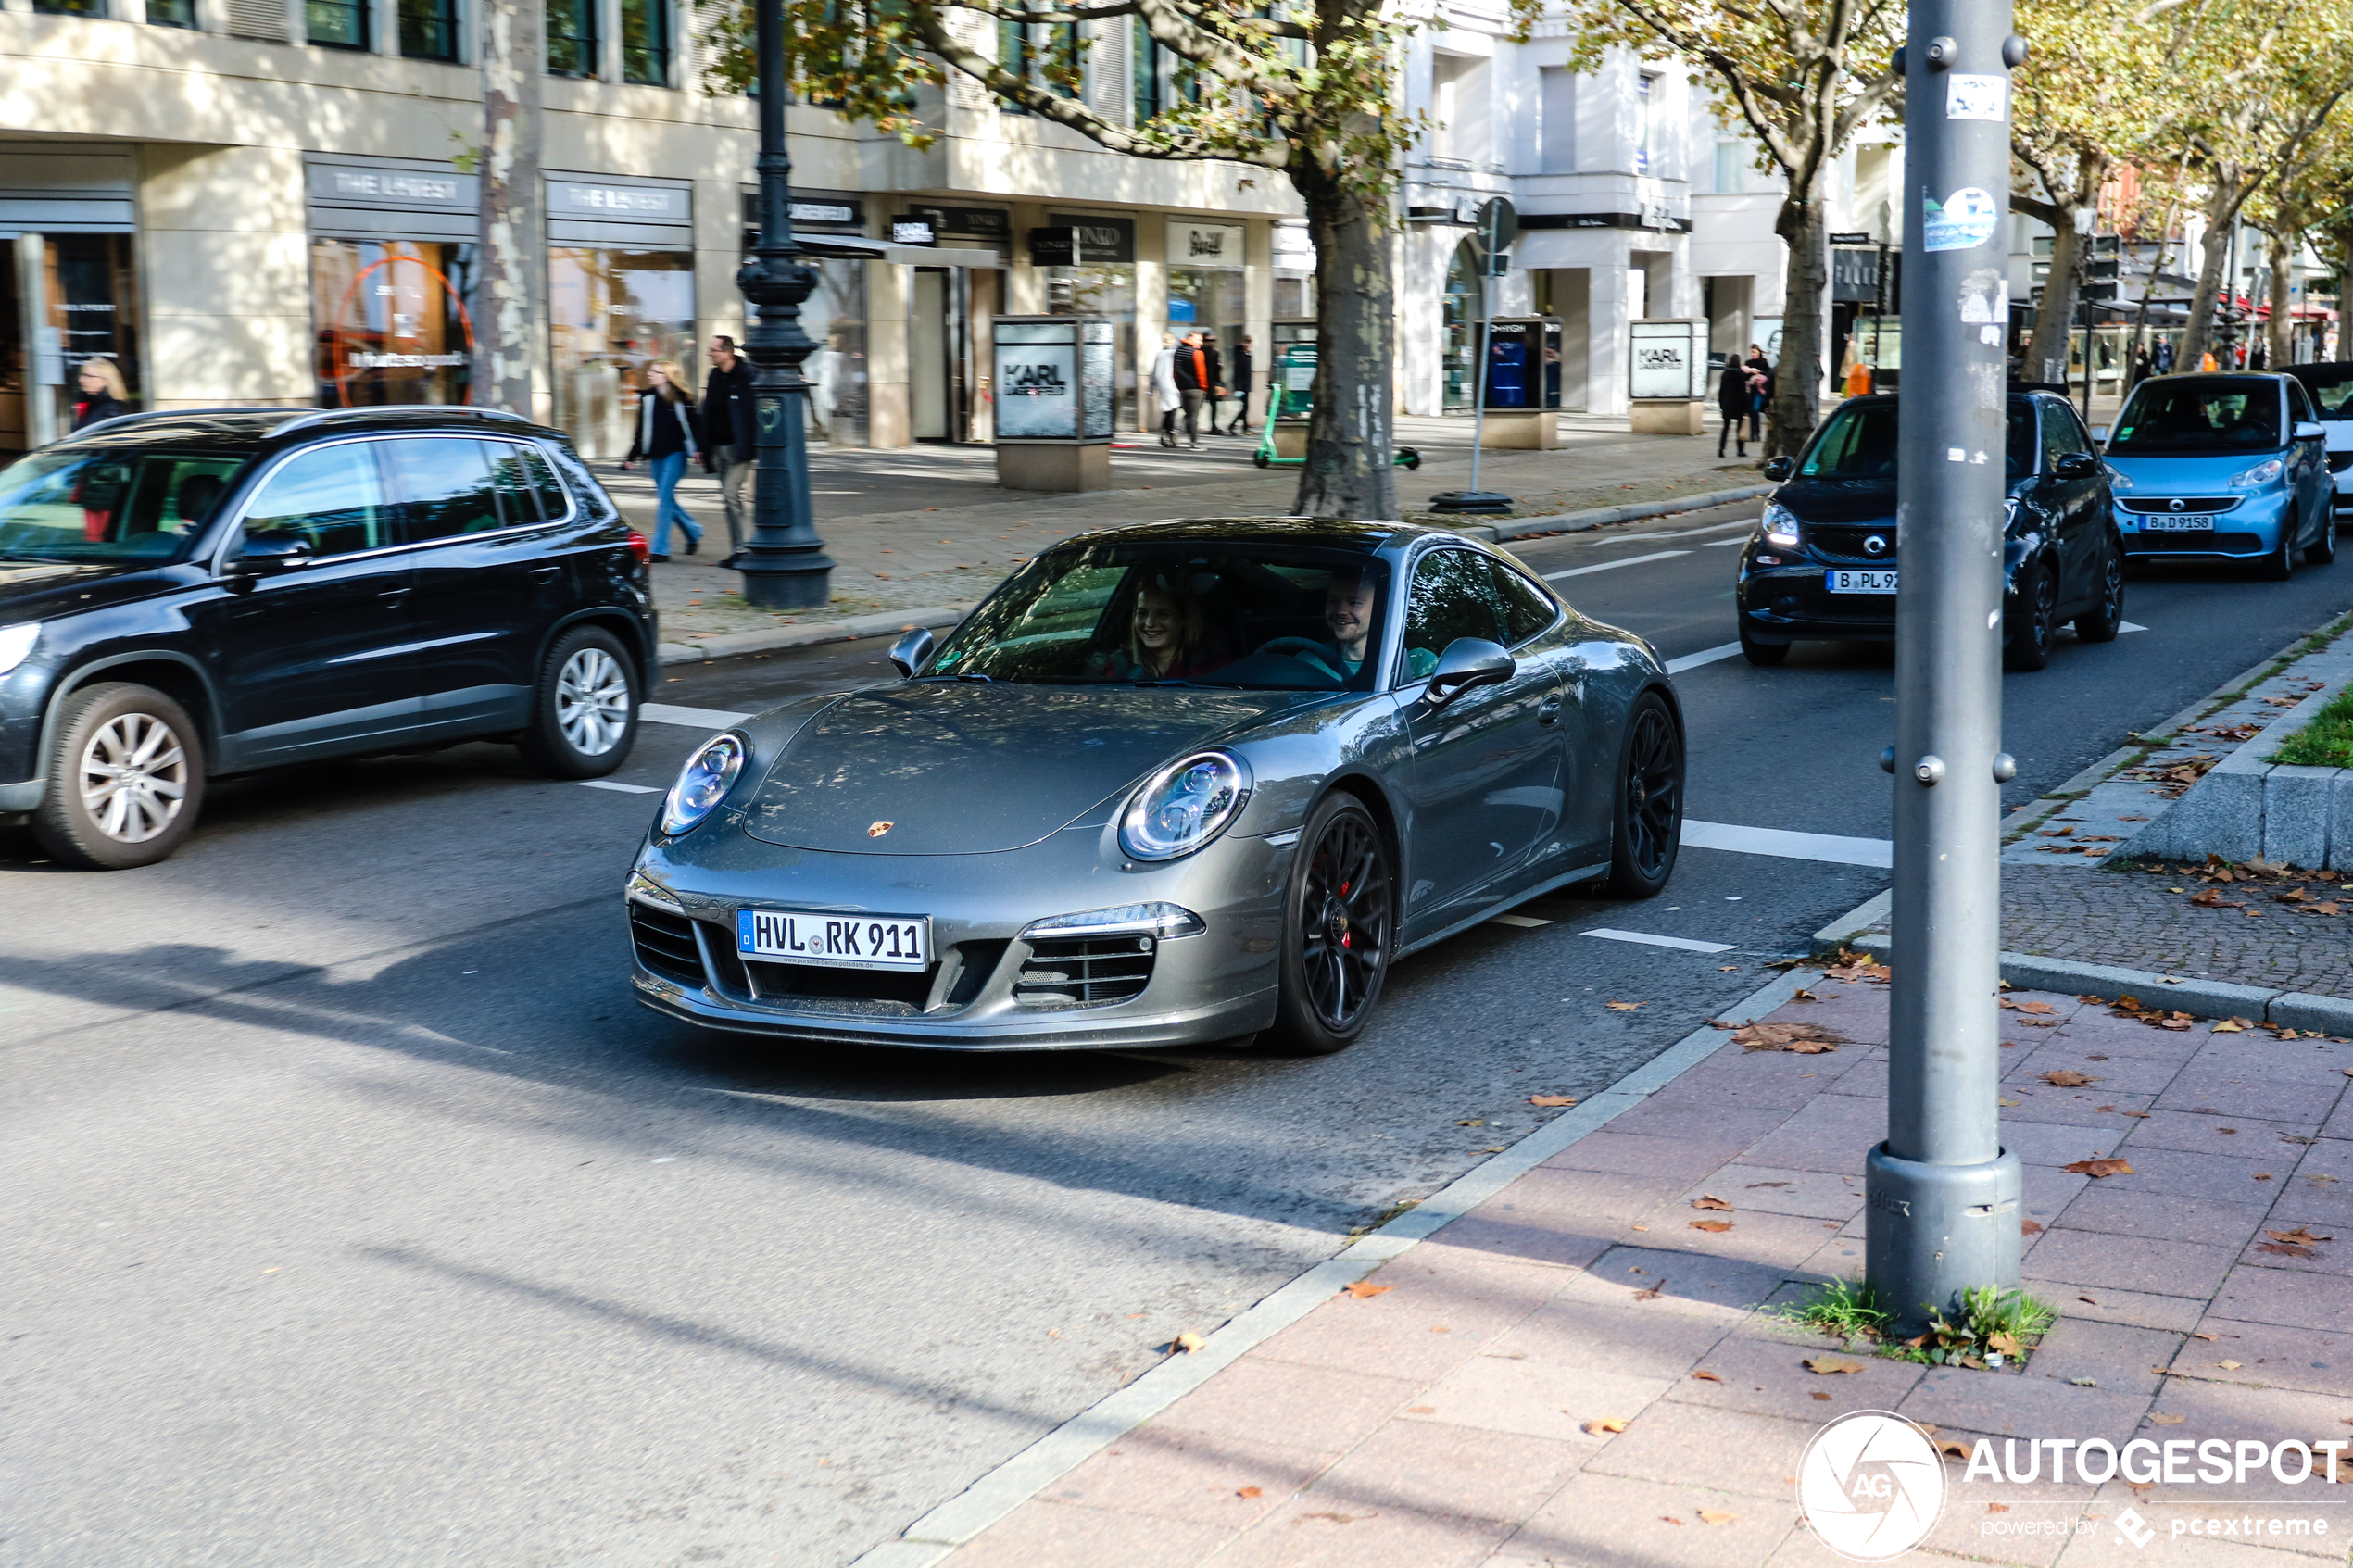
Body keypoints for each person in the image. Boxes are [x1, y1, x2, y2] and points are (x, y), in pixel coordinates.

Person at [1256, 568, 1435, 685]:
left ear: (1381, 606)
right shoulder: (1307, 662)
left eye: (1354, 602)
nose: (1341, 611)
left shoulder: (1418, 664)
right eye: (1332, 601)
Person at [619, 359, 707, 561]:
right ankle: (693, 531)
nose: (650, 374)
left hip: (676, 454)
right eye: (650, 370)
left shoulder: (683, 398)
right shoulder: (648, 398)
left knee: (665, 496)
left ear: (667, 376)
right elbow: (641, 431)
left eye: (656, 371)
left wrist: (700, 450)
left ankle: (660, 549)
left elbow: (696, 426)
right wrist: (631, 456)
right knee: (666, 498)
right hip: (656, 454)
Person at [1086, 578, 1217, 681]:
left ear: (1183, 619)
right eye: (1142, 613)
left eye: (1163, 614)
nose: (1149, 623)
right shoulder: (1118, 666)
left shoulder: (1212, 667)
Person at [702, 334, 755, 568]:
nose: (709, 354)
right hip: (718, 448)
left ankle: (744, 549)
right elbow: (707, 412)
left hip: (739, 449)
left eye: (713, 350)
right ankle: (738, 548)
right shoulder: (714, 375)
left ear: (727, 352)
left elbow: (754, 412)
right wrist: (702, 446)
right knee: (728, 500)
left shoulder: (748, 375)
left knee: (731, 495)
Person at [1173, 330, 1222, 449]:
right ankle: (1194, 442)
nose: (1201, 342)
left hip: (1183, 388)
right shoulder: (1197, 353)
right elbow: (1201, 373)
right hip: (1196, 389)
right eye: (1199, 340)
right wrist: (1204, 388)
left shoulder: (1178, 351)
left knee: (1188, 413)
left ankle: (1177, 431)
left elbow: (1175, 371)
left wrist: (1179, 385)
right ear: (1192, 339)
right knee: (1194, 417)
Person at [71, 358, 132, 431]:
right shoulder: (86, 403)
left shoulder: (112, 410)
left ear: (104, 380)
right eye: (82, 375)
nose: (81, 380)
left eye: (88, 376)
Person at [1150, 332, 1181, 447]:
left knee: (1168, 410)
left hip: (1162, 385)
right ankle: (1170, 432)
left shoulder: (1160, 354)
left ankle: (1165, 432)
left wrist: (1152, 388)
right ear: (1172, 341)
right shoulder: (1173, 353)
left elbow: (1153, 372)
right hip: (1172, 384)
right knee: (1172, 409)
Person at [1717, 357, 1751, 458]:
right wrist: (1746, 407)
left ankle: (1721, 449)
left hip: (1727, 403)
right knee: (1739, 428)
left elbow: (1721, 390)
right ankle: (1740, 450)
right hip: (1738, 404)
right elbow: (1743, 392)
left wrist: (1721, 404)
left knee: (1726, 427)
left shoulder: (1725, 374)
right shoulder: (1741, 374)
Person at [1224, 334, 1255, 434]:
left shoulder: (1249, 355)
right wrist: (1238, 386)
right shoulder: (1239, 354)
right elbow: (1238, 371)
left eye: (1248, 342)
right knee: (1245, 407)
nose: (1247, 345)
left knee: (1245, 407)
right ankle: (1234, 425)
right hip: (1241, 385)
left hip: (1246, 385)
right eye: (1245, 342)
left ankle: (1243, 427)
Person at [1743, 345, 1773, 445]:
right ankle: (1753, 432)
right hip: (1750, 391)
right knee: (1751, 412)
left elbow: (1768, 375)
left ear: (1759, 353)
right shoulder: (1748, 363)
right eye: (1751, 352)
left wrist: (1760, 376)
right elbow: (1745, 376)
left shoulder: (1763, 363)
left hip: (1760, 391)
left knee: (1755, 409)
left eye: (1754, 352)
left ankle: (1757, 432)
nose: (1753, 354)